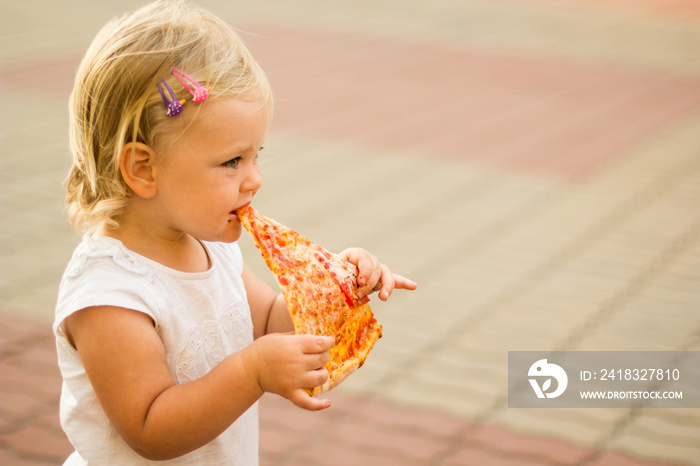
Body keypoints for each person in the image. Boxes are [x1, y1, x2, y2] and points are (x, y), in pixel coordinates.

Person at [53, 1, 416, 464]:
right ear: (143, 168)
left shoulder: (209, 246)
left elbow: (267, 323)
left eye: (256, 155)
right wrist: (250, 373)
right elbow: (150, 428)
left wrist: (335, 288)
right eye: (231, 161)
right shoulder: (111, 292)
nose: (255, 179)